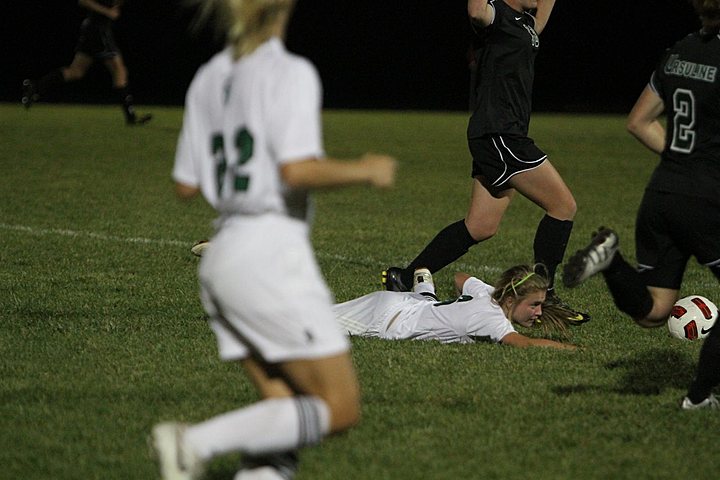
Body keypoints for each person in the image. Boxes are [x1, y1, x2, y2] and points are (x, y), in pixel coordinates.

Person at [150, 1, 397, 479]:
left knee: (284, 416)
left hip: (221, 260)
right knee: (339, 407)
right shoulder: (289, 71)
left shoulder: (208, 76)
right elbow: (296, 169)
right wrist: (366, 169)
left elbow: (185, 184)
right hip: (269, 257)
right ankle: (193, 442)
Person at [381, 0, 589, 325]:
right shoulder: (496, 16)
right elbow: (477, 10)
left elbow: (537, 30)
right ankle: (543, 296)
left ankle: (404, 277)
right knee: (563, 206)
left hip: (500, 134)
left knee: (480, 226)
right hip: (500, 133)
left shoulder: (523, 25)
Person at [562, 0, 720, 410]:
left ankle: (611, 261)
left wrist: (684, 162)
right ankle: (699, 398)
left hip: (663, 192)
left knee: (654, 310)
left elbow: (639, 121)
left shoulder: (679, 51)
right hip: (708, 197)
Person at [335, 266, 576, 350]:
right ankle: (426, 292)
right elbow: (524, 343)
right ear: (511, 301)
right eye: (534, 305)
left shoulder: (489, 295)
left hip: (405, 304)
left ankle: (426, 291)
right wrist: (574, 349)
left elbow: (461, 277)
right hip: (385, 320)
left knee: (430, 306)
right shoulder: (494, 321)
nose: (539, 313)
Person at [21, 0, 152, 125]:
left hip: (94, 30)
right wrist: (107, 11)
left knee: (76, 71)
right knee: (119, 71)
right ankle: (130, 116)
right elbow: (84, 1)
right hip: (98, 30)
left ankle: (36, 87)